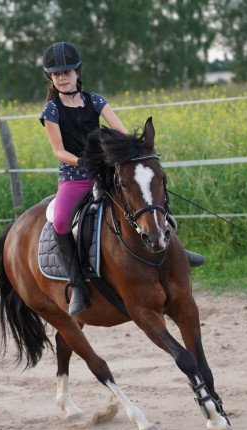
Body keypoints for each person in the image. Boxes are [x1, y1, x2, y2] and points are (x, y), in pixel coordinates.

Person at [39, 41, 204, 316]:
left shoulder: (96, 101)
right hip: (75, 176)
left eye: (67, 72)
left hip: (107, 170)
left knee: (147, 195)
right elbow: (59, 151)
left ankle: (177, 251)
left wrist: (131, 153)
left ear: (78, 72)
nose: (62, 77)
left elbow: (121, 131)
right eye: (56, 74)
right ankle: (78, 284)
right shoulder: (51, 111)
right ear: (51, 78)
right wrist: (83, 161)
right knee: (60, 221)